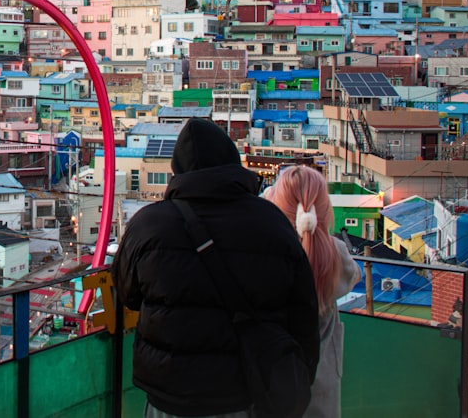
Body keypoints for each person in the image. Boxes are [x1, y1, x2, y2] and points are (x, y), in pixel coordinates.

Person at [112, 118, 320, 417]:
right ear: (232, 162)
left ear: (178, 169)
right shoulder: (272, 222)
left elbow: (127, 293)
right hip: (245, 391)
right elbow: (303, 314)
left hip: (169, 393)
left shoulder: (148, 224)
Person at [266, 166, 361, 417]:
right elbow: (354, 277)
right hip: (322, 385)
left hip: (271, 381)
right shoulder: (335, 252)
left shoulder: (266, 252)